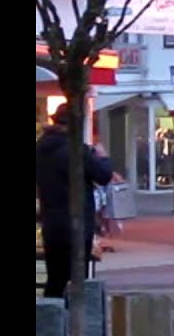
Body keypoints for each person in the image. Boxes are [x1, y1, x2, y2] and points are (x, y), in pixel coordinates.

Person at [35, 103, 117, 299]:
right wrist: (103, 157)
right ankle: (73, 323)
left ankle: (51, 323)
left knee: (55, 278)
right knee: (77, 280)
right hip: (78, 221)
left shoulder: (40, 148)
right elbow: (103, 175)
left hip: (51, 220)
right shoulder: (76, 149)